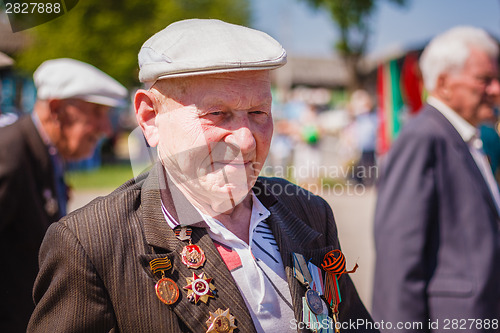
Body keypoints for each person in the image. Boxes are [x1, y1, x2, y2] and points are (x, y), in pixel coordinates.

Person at [28, 19, 376, 333]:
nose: (244, 139)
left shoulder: (310, 214)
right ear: (150, 118)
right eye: (217, 113)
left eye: (259, 112)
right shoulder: (91, 245)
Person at [372, 26, 500, 332]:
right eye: (485, 80)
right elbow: (398, 258)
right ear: (443, 83)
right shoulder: (423, 137)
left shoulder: (466, 136)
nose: (496, 89)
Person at [0, 58, 127, 332]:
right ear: (56, 109)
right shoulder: (9, 153)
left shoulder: (42, 153)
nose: (106, 128)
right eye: (95, 112)